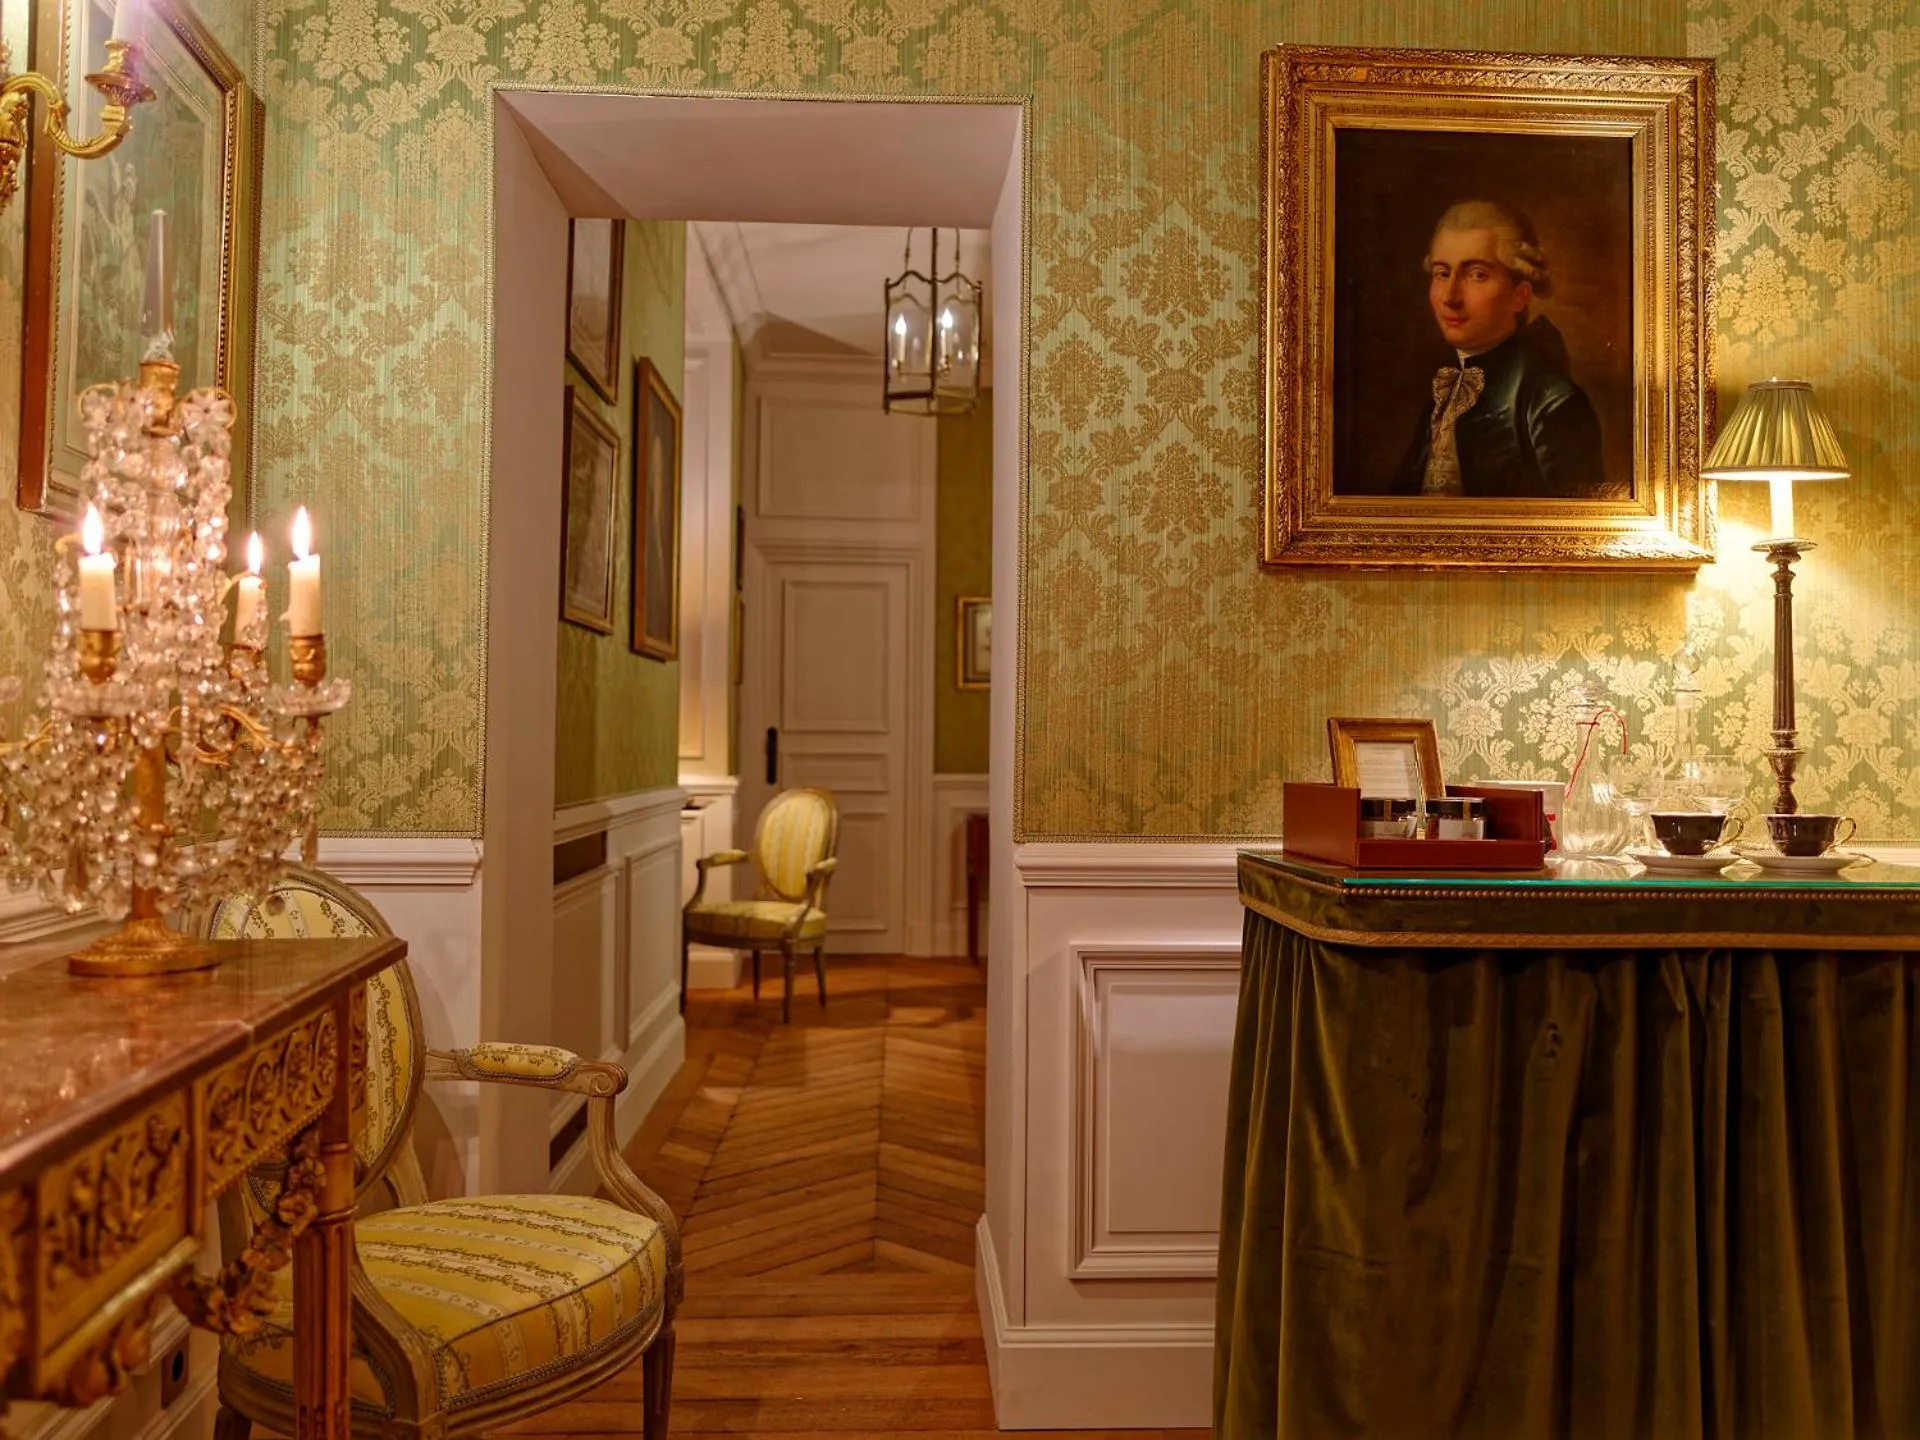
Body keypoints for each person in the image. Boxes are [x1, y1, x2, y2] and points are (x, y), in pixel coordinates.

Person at [1390, 200, 1607, 499]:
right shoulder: (1445, 394)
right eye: (1442, 273)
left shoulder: (1551, 403)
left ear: (1520, 296)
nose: (1450, 297)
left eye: (1476, 274)